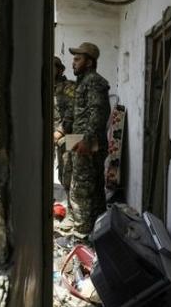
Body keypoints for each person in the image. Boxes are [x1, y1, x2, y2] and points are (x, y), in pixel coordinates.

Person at [66, 42, 110, 238]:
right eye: (74, 59)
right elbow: (80, 113)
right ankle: (97, 228)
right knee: (91, 186)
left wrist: (86, 139)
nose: (73, 63)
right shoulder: (84, 81)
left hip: (87, 141)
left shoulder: (93, 81)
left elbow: (98, 113)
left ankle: (82, 233)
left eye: (78, 59)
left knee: (82, 188)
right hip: (80, 139)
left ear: (89, 62)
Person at [52, 56, 76, 199]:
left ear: (60, 70)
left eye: (52, 67)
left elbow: (71, 111)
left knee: (67, 172)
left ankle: (71, 203)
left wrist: (60, 131)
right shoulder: (42, 86)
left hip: (66, 136)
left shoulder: (69, 87)